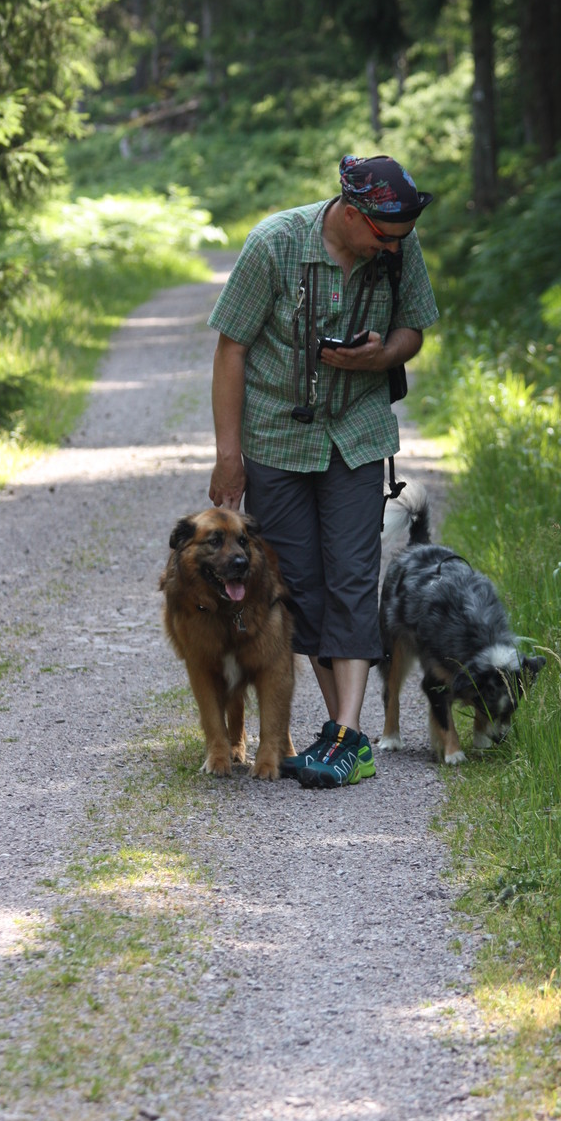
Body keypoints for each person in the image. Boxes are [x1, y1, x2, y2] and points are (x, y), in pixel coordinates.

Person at [207, 154, 438, 789]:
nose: (395, 247)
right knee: (298, 585)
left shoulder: (397, 245)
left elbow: (413, 329)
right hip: (277, 439)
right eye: (384, 236)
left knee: (355, 576)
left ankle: (346, 734)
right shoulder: (275, 244)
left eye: (401, 236)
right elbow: (231, 346)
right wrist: (229, 455)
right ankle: (342, 734)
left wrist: (381, 356)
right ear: (352, 214)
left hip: (358, 434)